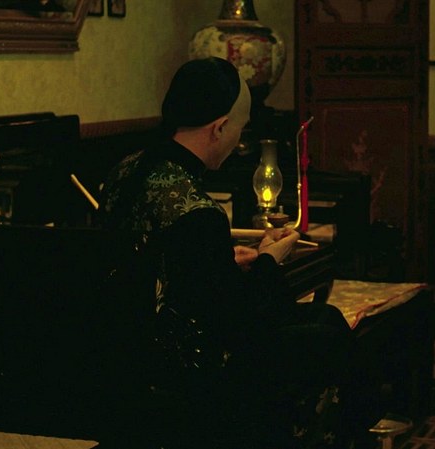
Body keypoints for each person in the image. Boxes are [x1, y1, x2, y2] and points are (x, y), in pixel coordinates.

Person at [98, 57, 362, 449]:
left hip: (121, 345)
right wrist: (270, 258)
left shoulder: (126, 170)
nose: (239, 139)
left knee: (325, 317)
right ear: (220, 128)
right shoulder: (199, 211)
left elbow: (163, 261)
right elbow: (240, 323)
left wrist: (222, 260)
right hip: (188, 368)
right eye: (240, 128)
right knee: (329, 337)